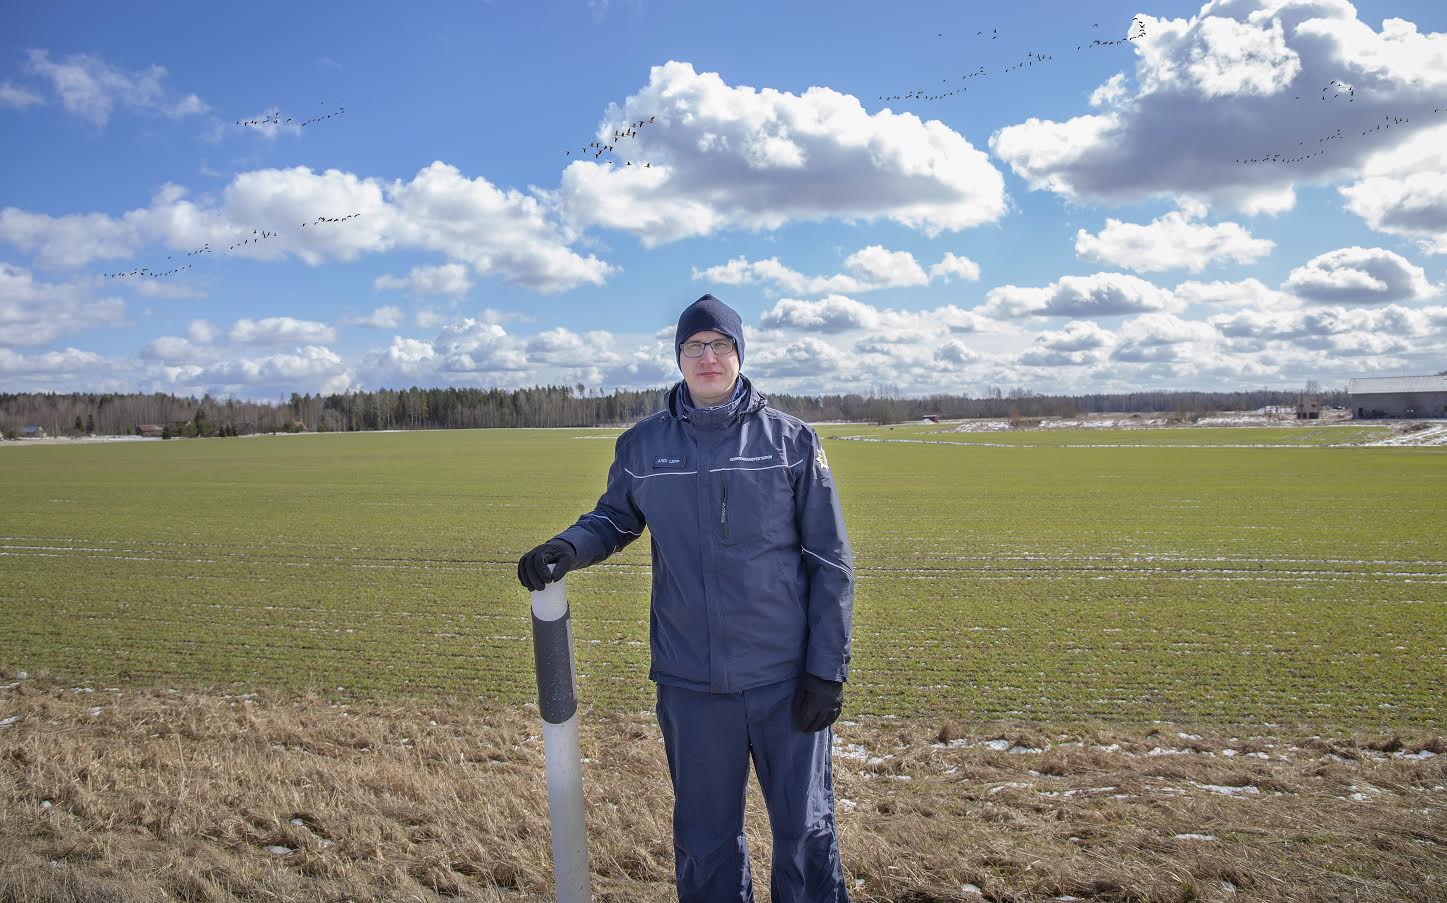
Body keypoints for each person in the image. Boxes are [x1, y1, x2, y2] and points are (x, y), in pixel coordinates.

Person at [517, 293, 855, 902]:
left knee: (805, 833)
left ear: (739, 354)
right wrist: (568, 547)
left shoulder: (790, 443)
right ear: (678, 358)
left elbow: (830, 564)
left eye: (720, 345)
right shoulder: (643, 447)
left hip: (785, 680)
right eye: (695, 346)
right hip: (691, 685)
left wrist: (826, 672)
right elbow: (614, 519)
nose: (708, 356)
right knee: (705, 841)